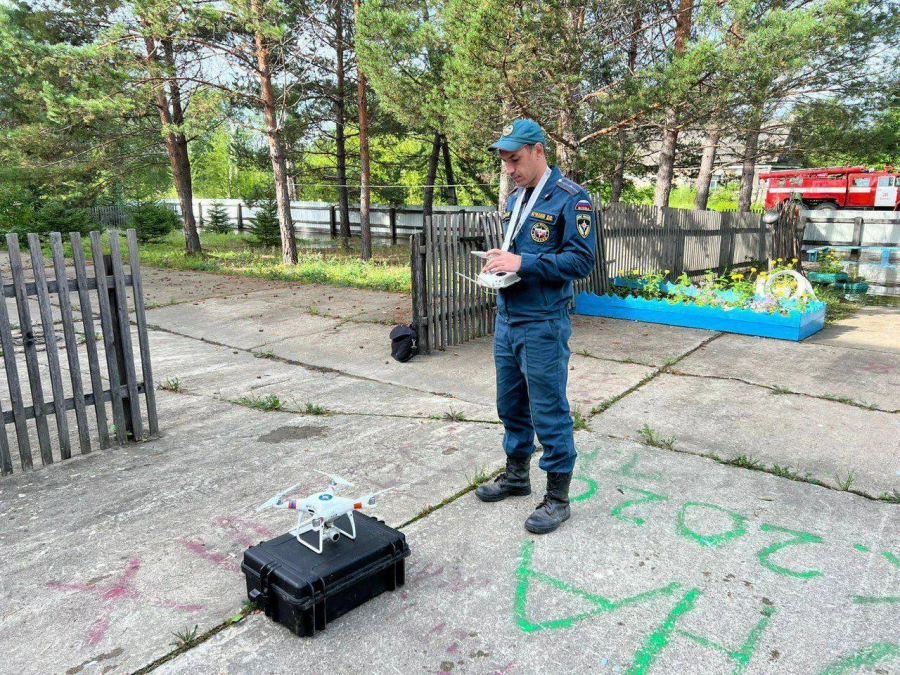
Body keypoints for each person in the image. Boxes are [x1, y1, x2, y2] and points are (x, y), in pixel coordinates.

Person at [474, 119, 596, 534]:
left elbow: (581, 262)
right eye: (505, 161)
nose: (508, 169)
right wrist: (504, 255)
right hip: (507, 318)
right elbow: (521, 250)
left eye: (515, 159)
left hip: (543, 323)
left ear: (538, 150)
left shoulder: (571, 198)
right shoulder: (517, 198)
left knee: (549, 411)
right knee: (510, 406)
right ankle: (516, 477)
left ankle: (558, 498)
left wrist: (523, 263)